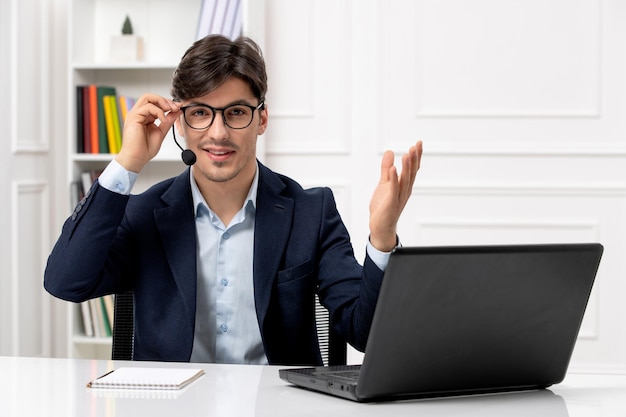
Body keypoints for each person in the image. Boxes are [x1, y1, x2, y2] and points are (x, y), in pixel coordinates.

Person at [44, 35, 422, 365]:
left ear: (262, 119)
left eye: (237, 112)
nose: (218, 133)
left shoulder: (311, 211)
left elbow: (366, 332)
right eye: (200, 113)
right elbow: (66, 282)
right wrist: (127, 164)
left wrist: (383, 236)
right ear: (179, 121)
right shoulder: (143, 214)